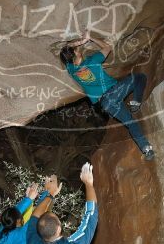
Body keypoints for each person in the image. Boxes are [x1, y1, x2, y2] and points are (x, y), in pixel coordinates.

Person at [60, 32, 155, 160]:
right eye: (77, 49)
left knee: (130, 122)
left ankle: (146, 149)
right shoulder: (92, 61)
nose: (79, 49)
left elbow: (66, 51)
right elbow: (107, 47)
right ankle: (136, 103)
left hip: (105, 104)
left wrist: (77, 44)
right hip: (113, 92)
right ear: (76, 53)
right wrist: (90, 38)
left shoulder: (72, 71)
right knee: (139, 77)